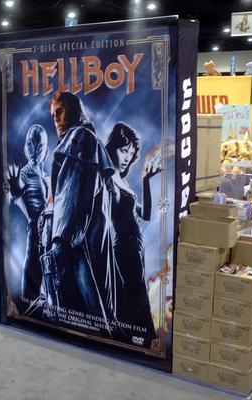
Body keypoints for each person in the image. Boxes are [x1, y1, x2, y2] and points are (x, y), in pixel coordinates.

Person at [39, 91, 117, 336]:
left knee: (89, 310)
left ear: (75, 111)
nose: (55, 118)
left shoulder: (79, 137)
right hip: (75, 237)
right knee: (87, 311)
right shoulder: (80, 140)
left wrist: (60, 240)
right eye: (53, 114)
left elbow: (72, 192)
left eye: (60, 111)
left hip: (73, 240)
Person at [104, 122, 160, 347]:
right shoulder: (109, 180)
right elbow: (110, 211)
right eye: (123, 150)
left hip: (134, 247)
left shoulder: (122, 181)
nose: (127, 157)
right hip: (125, 247)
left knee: (136, 295)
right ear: (113, 148)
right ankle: (138, 340)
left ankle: (138, 339)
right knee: (134, 296)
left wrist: (146, 181)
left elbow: (145, 215)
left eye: (131, 152)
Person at [7, 124, 49, 305]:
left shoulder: (45, 176)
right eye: (31, 143)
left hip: (48, 233)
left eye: (40, 145)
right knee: (33, 275)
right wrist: (16, 194)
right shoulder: (24, 174)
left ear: (45, 149)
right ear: (26, 145)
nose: (35, 149)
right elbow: (12, 197)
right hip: (36, 232)